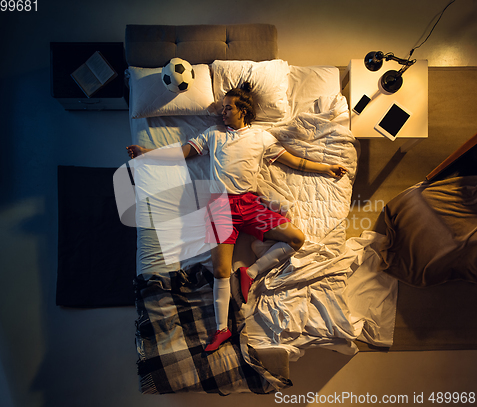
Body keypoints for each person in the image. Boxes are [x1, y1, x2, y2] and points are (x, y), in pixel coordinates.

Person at [127, 82, 348, 352]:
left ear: (243, 110)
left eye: (228, 107)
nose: (222, 112)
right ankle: (222, 330)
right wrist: (147, 154)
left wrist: (326, 168)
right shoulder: (213, 134)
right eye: (222, 108)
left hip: (250, 204)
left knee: (296, 239)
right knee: (220, 272)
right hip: (219, 207)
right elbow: (182, 154)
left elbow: (294, 161)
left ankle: (249, 273)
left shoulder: (261, 137)